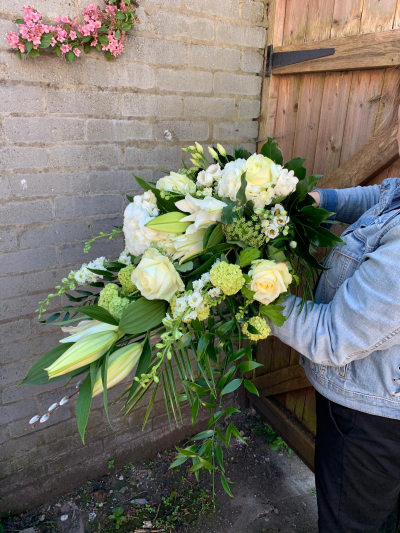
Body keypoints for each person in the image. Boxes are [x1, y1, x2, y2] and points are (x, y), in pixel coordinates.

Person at [265, 104, 400, 533]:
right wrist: (316, 201)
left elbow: (331, 335)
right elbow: (383, 198)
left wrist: (249, 289)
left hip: (368, 424)